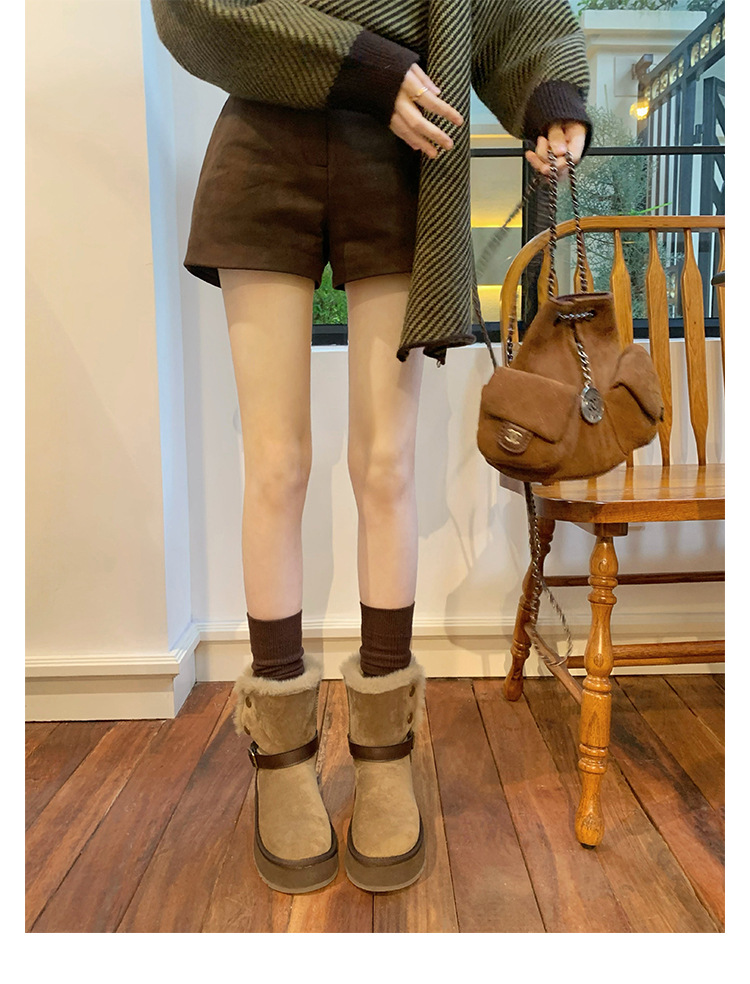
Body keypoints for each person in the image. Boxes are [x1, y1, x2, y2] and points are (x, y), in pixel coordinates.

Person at [150, 0, 591, 896]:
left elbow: (515, 12)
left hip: (402, 159)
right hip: (265, 139)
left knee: (386, 466)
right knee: (276, 465)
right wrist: (368, 70)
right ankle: (281, 756)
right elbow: (193, 7)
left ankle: (385, 752)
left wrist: (552, 96)